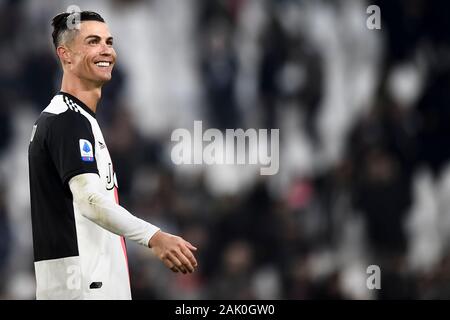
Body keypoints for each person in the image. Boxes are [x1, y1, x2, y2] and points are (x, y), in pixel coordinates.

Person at [28, 10, 198, 300]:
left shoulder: (76, 119)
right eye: (93, 41)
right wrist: (154, 237)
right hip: (82, 289)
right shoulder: (67, 120)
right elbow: (91, 201)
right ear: (65, 55)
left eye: (109, 41)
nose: (106, 49)